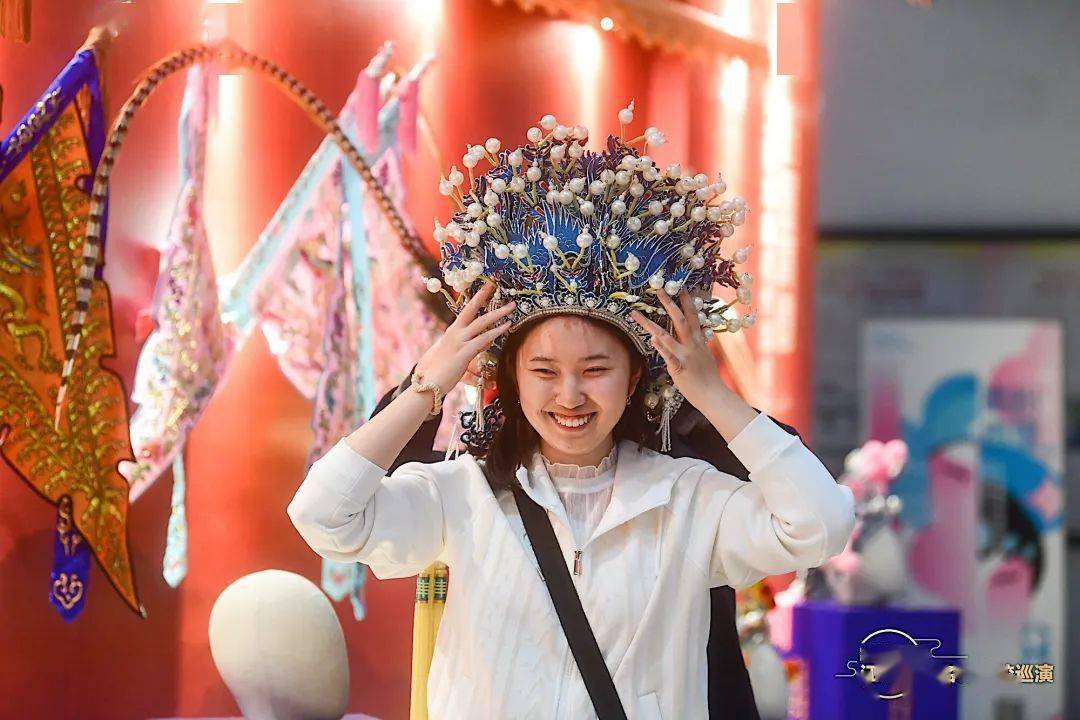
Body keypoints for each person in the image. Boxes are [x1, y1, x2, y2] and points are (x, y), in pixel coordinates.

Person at [288, 113, 855, 719]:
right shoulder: (463, 496)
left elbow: (819, 525)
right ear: (512, 380)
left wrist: (711, 393)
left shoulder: (687, 498)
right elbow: (324, 516)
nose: (570, 395)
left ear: (634, 378)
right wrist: (426, 386)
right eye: (543, 370)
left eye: (595, 368)